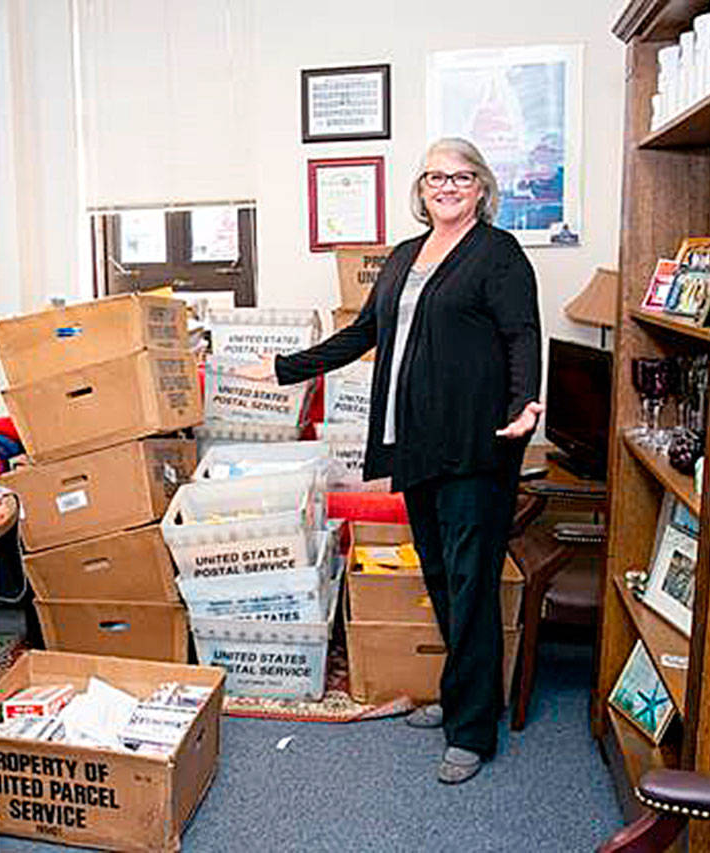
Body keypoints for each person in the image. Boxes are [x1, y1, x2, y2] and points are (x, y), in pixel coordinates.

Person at [239, 137, 542, 784]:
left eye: (461, 177)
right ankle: (460, 695)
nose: (448, 186)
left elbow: (522, 332)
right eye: (437, 176)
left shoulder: (498, 253)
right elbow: (362, 334)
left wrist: (526, 404)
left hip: (478, 440)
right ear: (422, 187)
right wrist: (287, 367)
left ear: (482, 187)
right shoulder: (405, 255)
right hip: (417, 440)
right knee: (439, 574)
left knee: (470, 583)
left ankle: (472, 729)